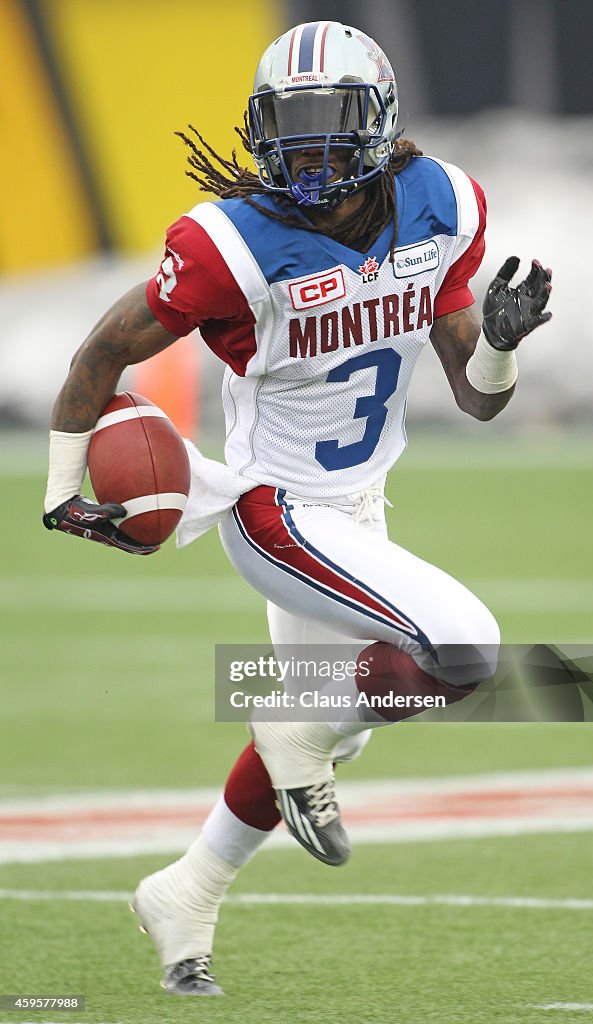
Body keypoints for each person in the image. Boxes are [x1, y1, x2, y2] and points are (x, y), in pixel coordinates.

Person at [42, 21, 552, 996]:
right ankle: (294, 730)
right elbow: (100, 356)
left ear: (380, 120)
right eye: (291, 127)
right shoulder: (231, 241)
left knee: (344, 719)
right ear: (260, 129)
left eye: (331, 125)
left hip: (357, 511)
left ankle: (186, 886)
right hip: (272, 507)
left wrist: (497, 342)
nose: (310, 150)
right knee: (464, 648)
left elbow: (479, 399)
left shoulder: (440, 203)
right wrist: (62, 489)